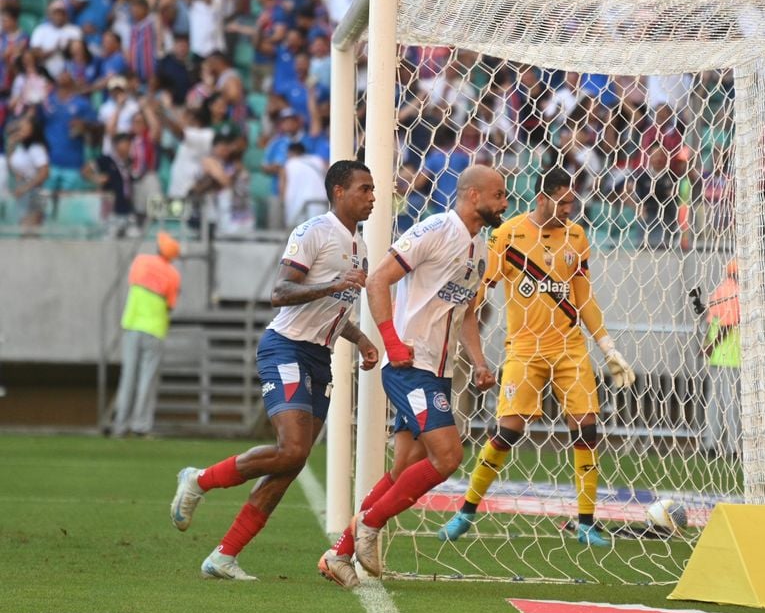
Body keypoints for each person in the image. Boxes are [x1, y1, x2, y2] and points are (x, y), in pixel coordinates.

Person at [169, 160, 379, 580]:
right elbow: (280, 292)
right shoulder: (313, 231)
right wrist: (335, 284)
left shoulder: (360, 247)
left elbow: (332, 311)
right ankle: (199, 480)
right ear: (338, 191)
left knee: (290, 464)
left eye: (373, 190)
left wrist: (360, 339)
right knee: (293, 450)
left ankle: (224, 556)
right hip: (285, 348)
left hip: (319, 357)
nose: (372, 197)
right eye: (364, 188)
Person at [317, 164, 510, 588]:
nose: (505, 202)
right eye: (498, 194)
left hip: (437, 372)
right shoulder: (435, 229)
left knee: (405, 466)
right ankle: (370, 523)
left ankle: (340, 554)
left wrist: (478, 361)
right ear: (473, 195)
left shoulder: (481, 248)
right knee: (449, 456)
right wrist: (391, 341)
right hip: (410, 366)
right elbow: (379, 279)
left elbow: (466, 314)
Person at [436, 168, 635, 549]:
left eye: (573, 202)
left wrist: (608, 348)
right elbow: (480, 294)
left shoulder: (576, 236)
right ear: (542, 198)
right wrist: (472, 345)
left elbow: (584, 298)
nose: (569, 209)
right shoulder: (506, 234)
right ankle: (466, 511)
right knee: (508, 431)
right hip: (525, 350)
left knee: (588, 429)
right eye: (563, 202)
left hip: (570, 348)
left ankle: (585, 522)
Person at [111, 232, 182, 437]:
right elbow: (170, 305)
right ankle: (140, 426)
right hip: (155, 329)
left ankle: (120, 425)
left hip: (132, 325)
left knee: (128, 377)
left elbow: (132, 282)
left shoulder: (141, 261)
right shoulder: (173, 275)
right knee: (147, 380)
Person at [701, 258, 740, 457]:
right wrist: (711, 345)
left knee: (714, 403)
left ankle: (711, 444)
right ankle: (734, 447)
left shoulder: (720, 290)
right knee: (732, 404)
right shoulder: (736, 292)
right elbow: (727, 325)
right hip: (732, 357)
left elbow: (712, 321)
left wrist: (707, 345)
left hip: (717, 357)